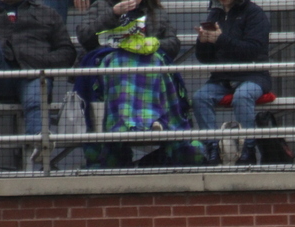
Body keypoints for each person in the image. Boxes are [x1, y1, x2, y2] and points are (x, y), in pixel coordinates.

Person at [75, 0, 205, 168]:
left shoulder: (155, 11)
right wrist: (113, 14)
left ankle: (153, 121)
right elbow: (85, 37)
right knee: (120, 60)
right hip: (106, 76)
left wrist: (150, 43)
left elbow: (173, 44)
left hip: (151, 71)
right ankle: (122, 123)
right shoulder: (102, 5)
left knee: (153, 59)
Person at [0, 0, 77, 145]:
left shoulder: (47, 13)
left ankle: (39, 143)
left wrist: (40, 60)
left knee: (37, 95)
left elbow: (67, 53)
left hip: (33, 76)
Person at [193, 0, 271, 166]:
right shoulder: (215, 14)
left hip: (254, 75)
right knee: (200, 97)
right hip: (222, 78)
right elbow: (204, 58)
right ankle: (212, 149)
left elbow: (252, 50)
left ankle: (248, 149)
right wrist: (203, 42)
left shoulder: (255, 13)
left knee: (242, 96)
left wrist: (220, 39)